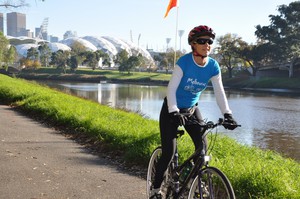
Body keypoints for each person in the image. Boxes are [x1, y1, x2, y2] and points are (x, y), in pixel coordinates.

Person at [150, 25, 237, 199]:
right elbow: (171, 89)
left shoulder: (213, 66)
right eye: (202, 41)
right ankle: (155, 189)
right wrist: (174, 111)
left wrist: (227, 114)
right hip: (171, 110)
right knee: (168, 152)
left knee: (202, 149)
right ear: (193, 44)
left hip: (191, 109)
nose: (207, 44)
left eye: (210, 41)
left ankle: (191, 179)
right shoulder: (184, 62)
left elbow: (219, 91)